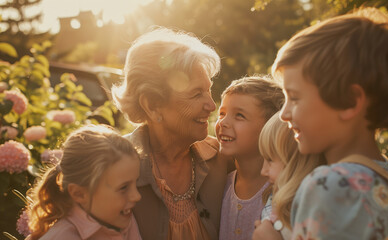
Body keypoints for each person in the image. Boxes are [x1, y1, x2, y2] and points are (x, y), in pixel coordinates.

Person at [270, 7, 388, 239]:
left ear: (351, 101)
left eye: (295, 98)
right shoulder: (384, 172)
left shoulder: (328, 185)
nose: (283, 114)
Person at [111, 27, 231, 240]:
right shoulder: (113, 169)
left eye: (209, 90)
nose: (212, 105)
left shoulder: (223, 159)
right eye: (196, 94)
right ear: (152, 105)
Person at [26, 125, 142, 240]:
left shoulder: (124, 221)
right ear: (79, 194)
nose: (137, 196)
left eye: (135, 183)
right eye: (123, 188)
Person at [216, 76, 284, 240]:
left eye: (239, 115)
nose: (223, 122)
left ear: (269, 127)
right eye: (222, 113)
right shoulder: (219, 185)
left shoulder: (282, 192)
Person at [253, 112, 324, 240]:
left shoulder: (312, 216)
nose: (263, 171)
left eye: (269, 159)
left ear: (295, 164)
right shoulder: (276, 202)